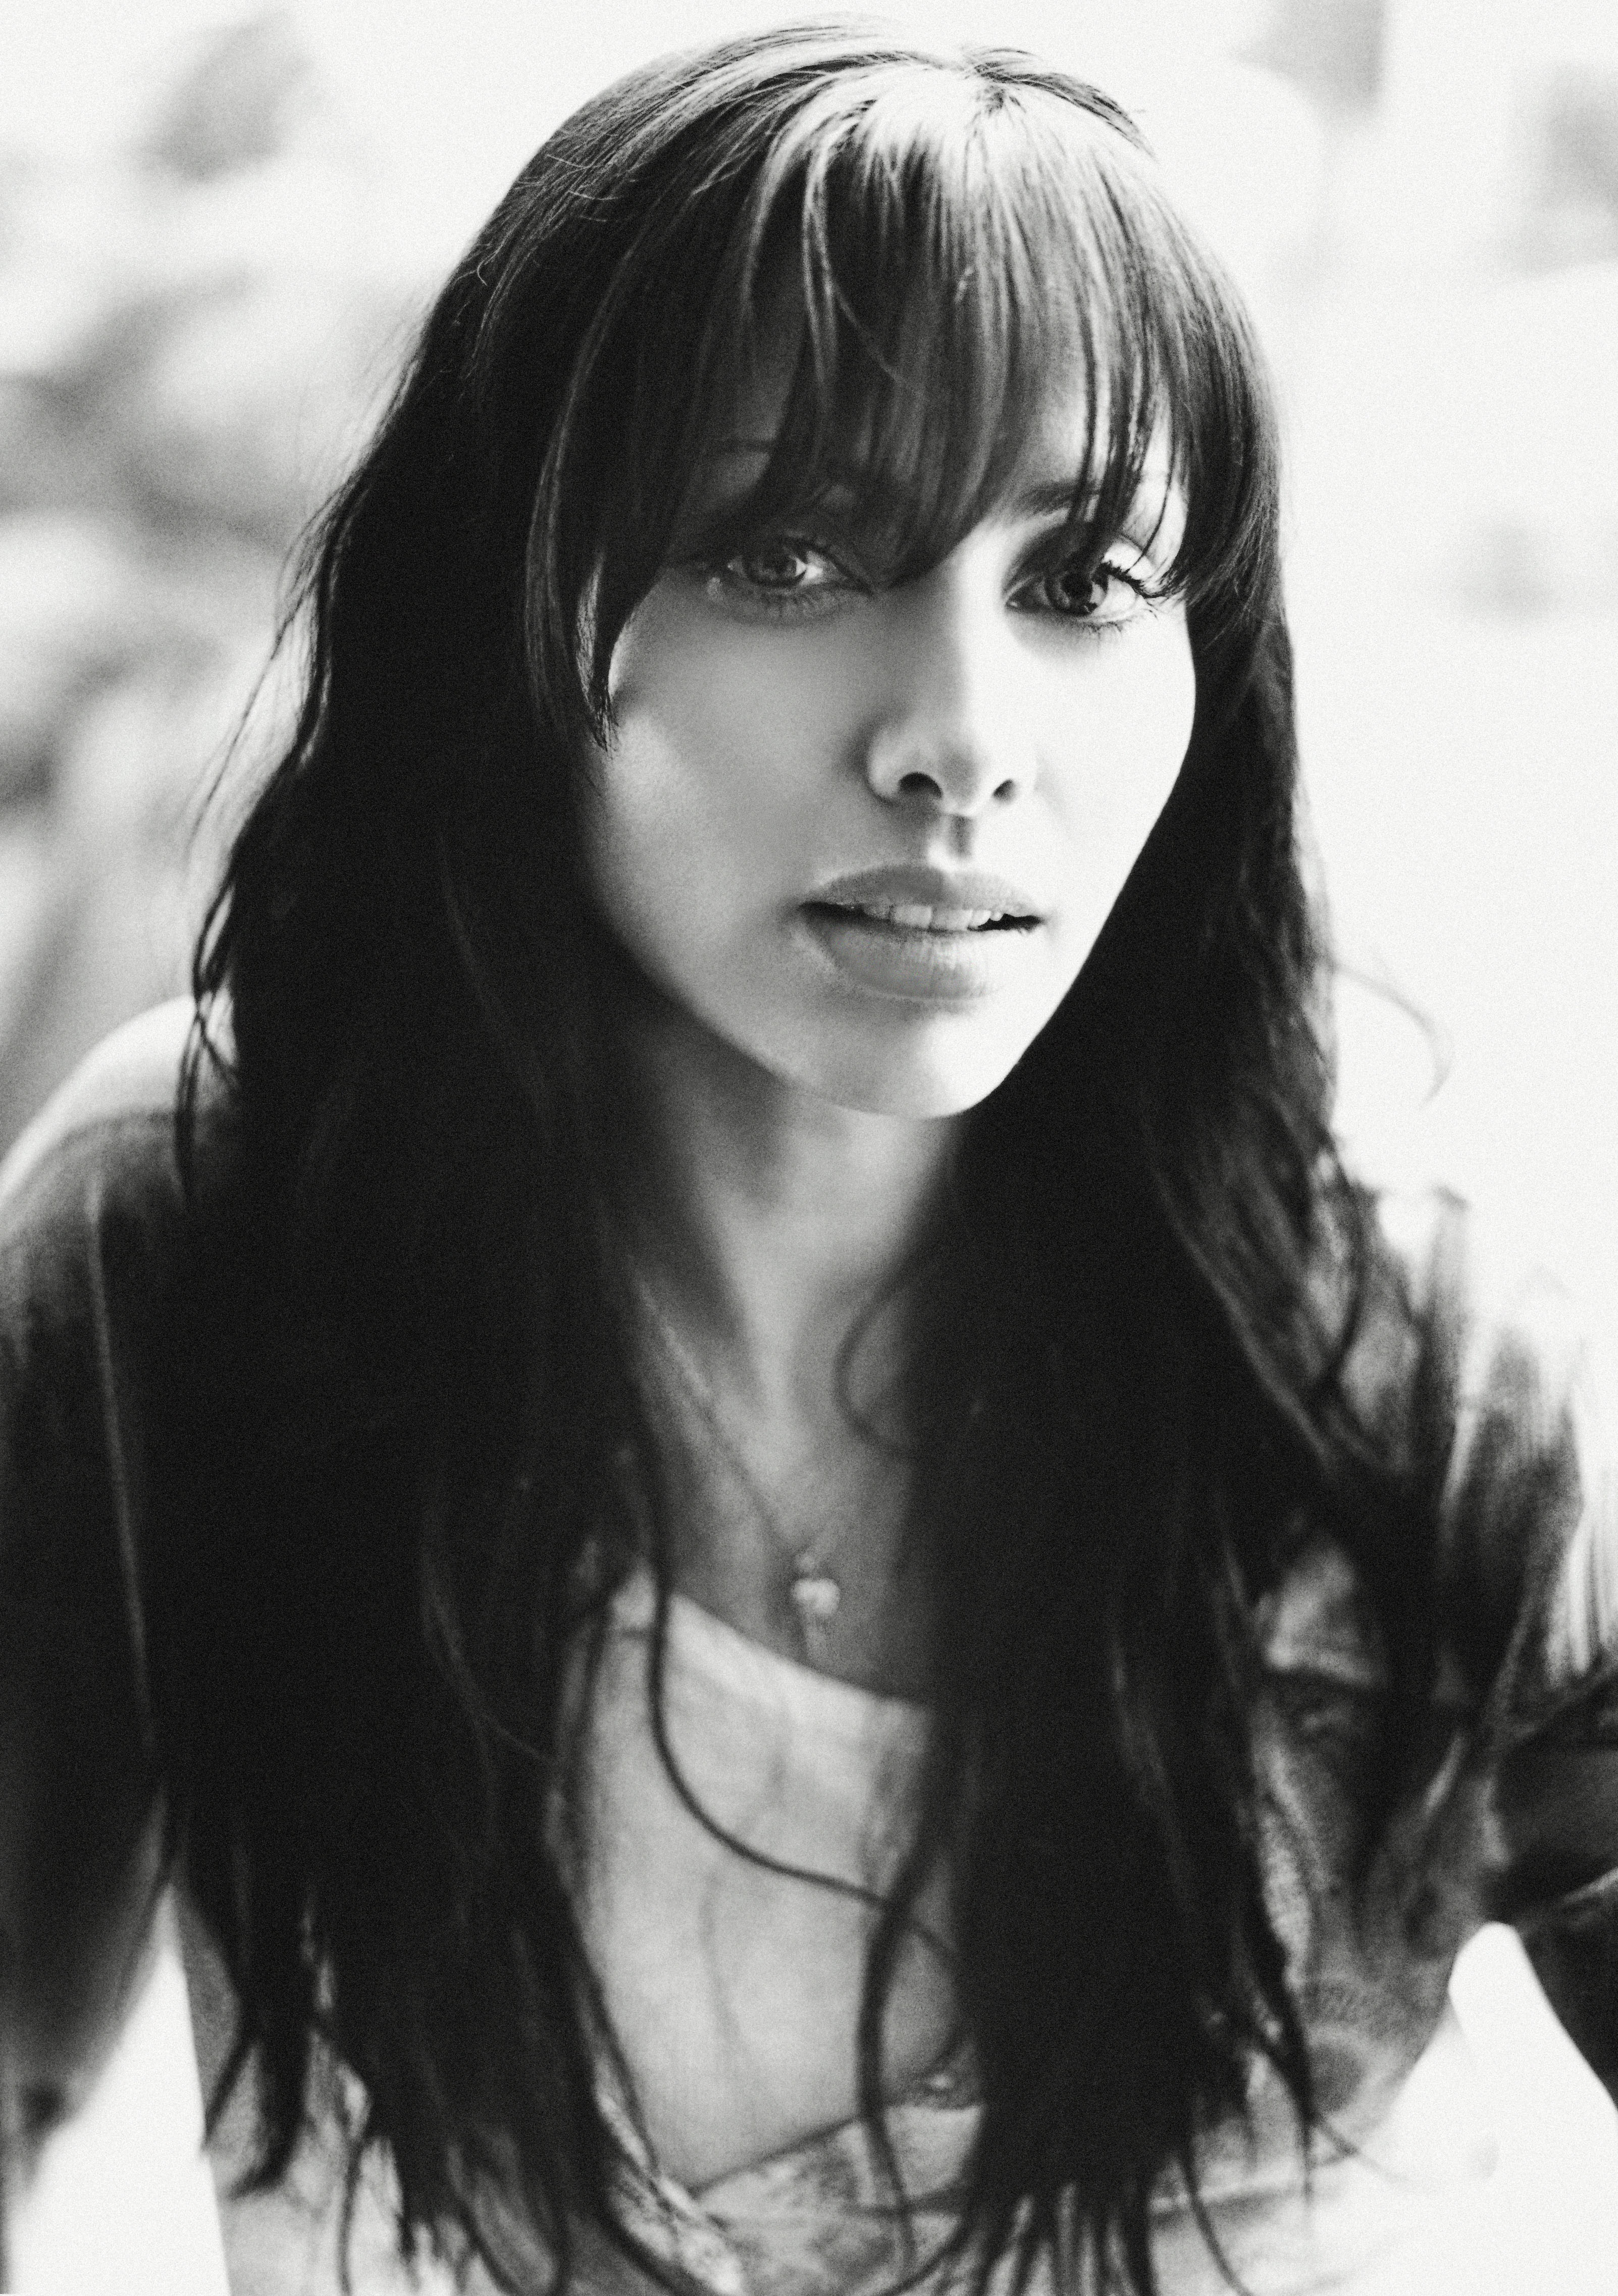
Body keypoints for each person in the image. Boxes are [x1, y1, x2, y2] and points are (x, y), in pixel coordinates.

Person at [1, 23, 1615, 2294]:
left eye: (1088, 577)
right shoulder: (198, 1243)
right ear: (513, 620)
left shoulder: (1411, 1370)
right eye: (789, 554)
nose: (960, 738)